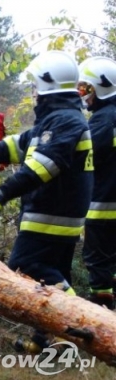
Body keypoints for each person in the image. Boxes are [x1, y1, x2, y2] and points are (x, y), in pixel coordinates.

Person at [0, 51, 92, 352]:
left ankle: (84, 320)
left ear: (47, 85)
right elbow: (18, 145)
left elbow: (40, 170)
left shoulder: (64, 121)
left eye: (35, 85)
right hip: (53, 214)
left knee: (26, 265)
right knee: (50, 278)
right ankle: (45, 340)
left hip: (51, 215)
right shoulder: (57, 119)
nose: (32, 92)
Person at [77, 57, 116, 309]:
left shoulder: (103, 120)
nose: (84, 96)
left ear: (101, 88)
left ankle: (101, 312)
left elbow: (85, 157)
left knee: (98, 258)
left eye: (86, 89)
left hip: (103, 203)